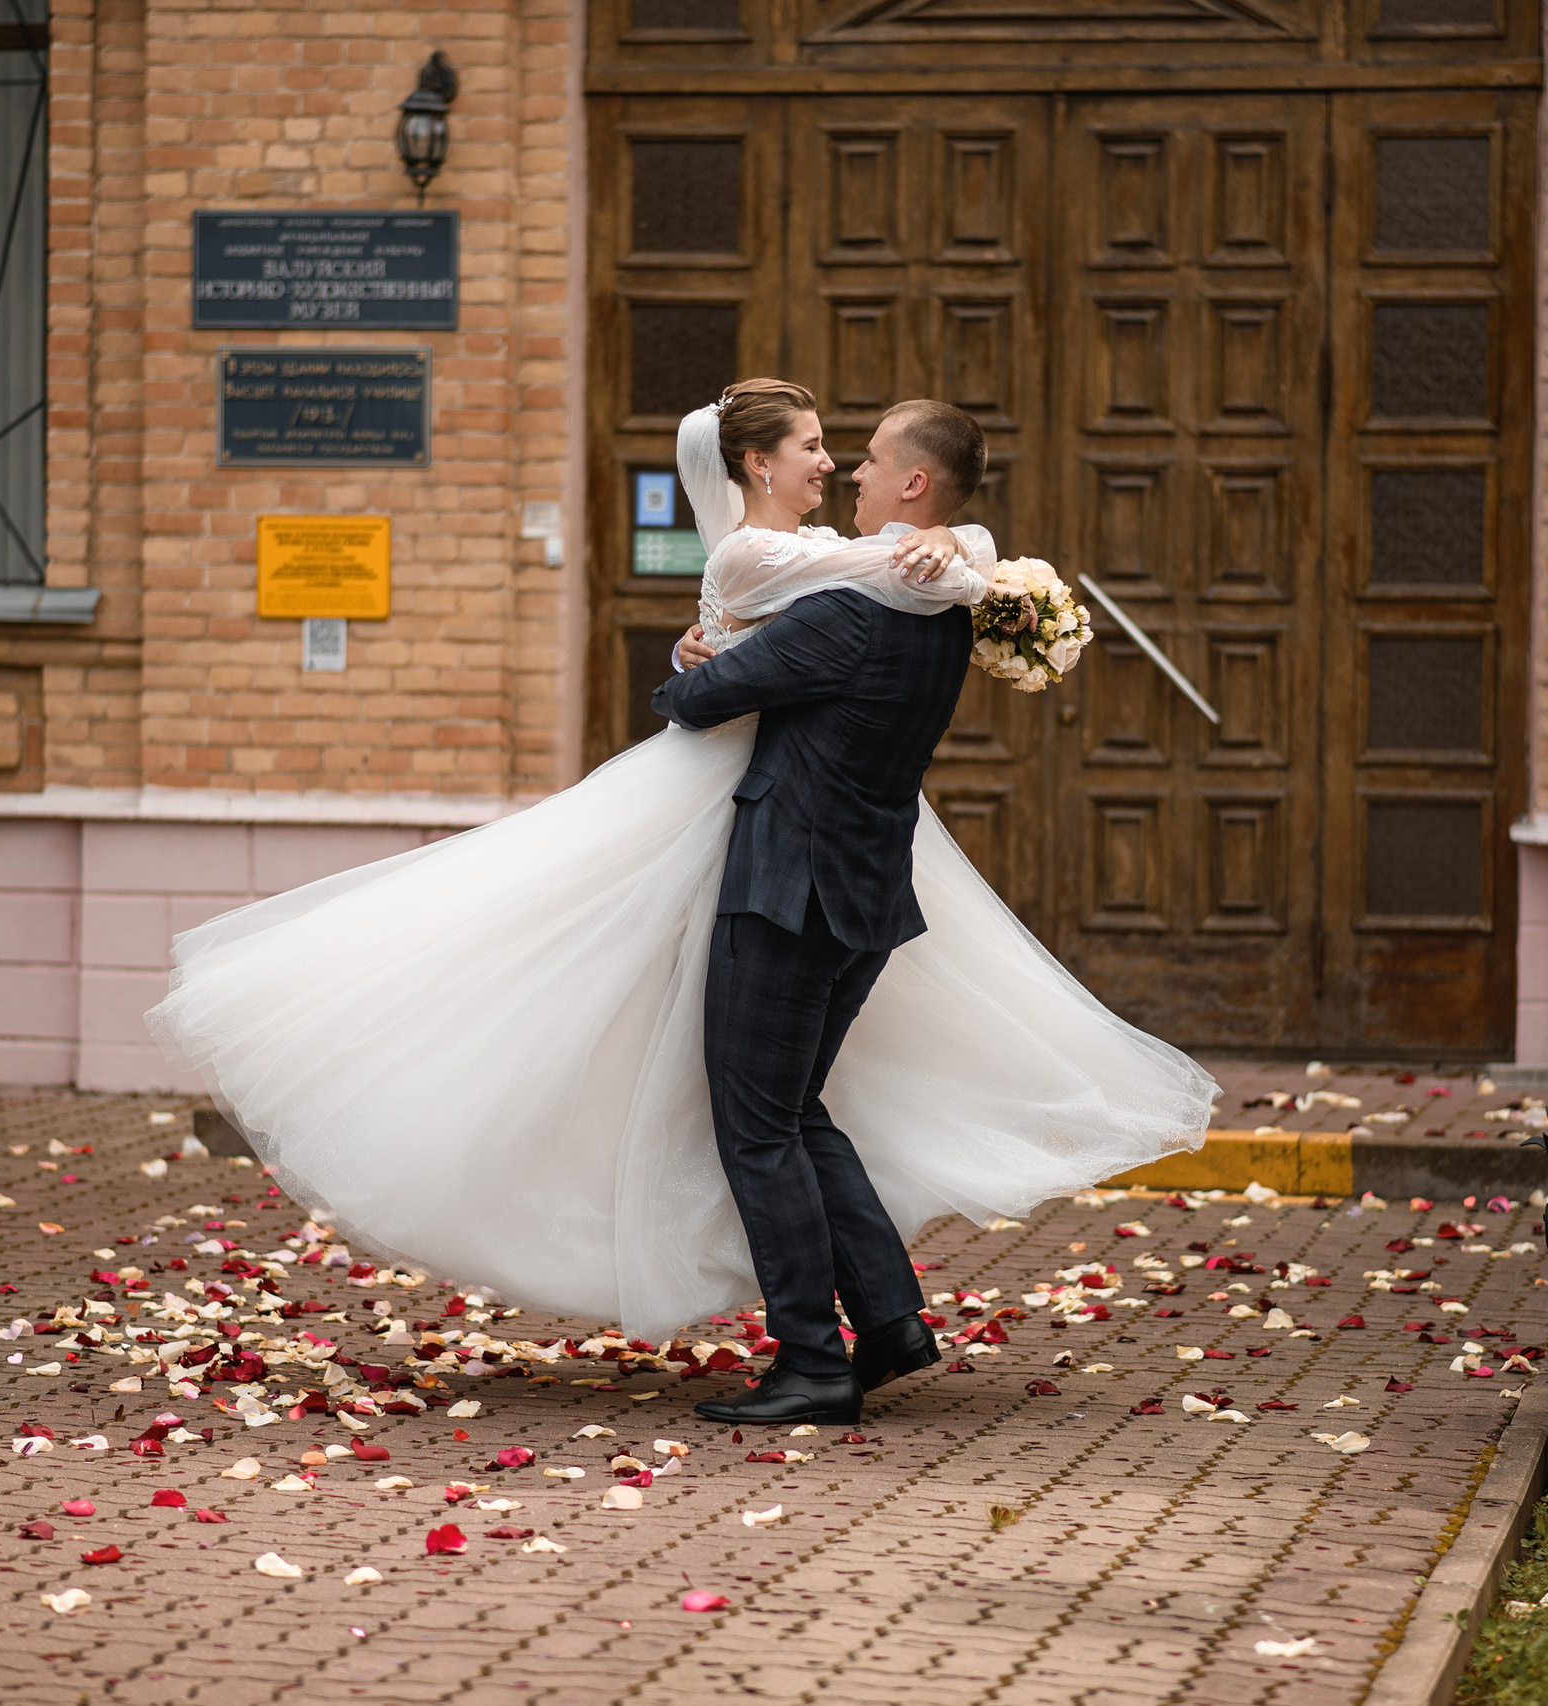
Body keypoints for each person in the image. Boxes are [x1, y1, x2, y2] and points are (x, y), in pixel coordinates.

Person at [145, 380, 1215, 1416]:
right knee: (795, 1110)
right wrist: (950, 552)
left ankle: (810, 1359)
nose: (846, 467)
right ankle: (887, 1322)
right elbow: (933, 574)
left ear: (916, 488)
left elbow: (695, 702)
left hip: (787, 895)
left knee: (754, 1124)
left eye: (871, 457)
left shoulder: (845, 613)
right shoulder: (936, 609)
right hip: (870, 894)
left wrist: (694, 662)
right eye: (824, 447)